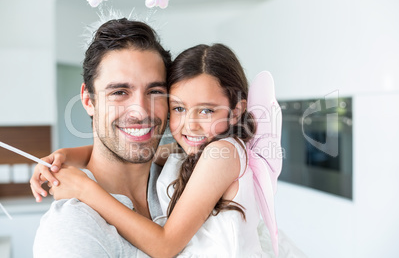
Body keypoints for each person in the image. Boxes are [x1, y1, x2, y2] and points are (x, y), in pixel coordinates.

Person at [32, 43, 284, 257]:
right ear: (89, 100)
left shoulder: (222, 153)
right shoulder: (199, 151)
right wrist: (64, 156)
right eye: (178, 108)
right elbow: (143, 152)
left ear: (236, 111)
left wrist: (85, 189)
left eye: (207, 110)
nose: (191, 124)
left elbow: (165, 246)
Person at [32, 18, 173, 257]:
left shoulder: (183, 179)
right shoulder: (72, 227)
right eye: (119, 92)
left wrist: (69, 155)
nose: (140, 111)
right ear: (88, 100)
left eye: (155, 91)